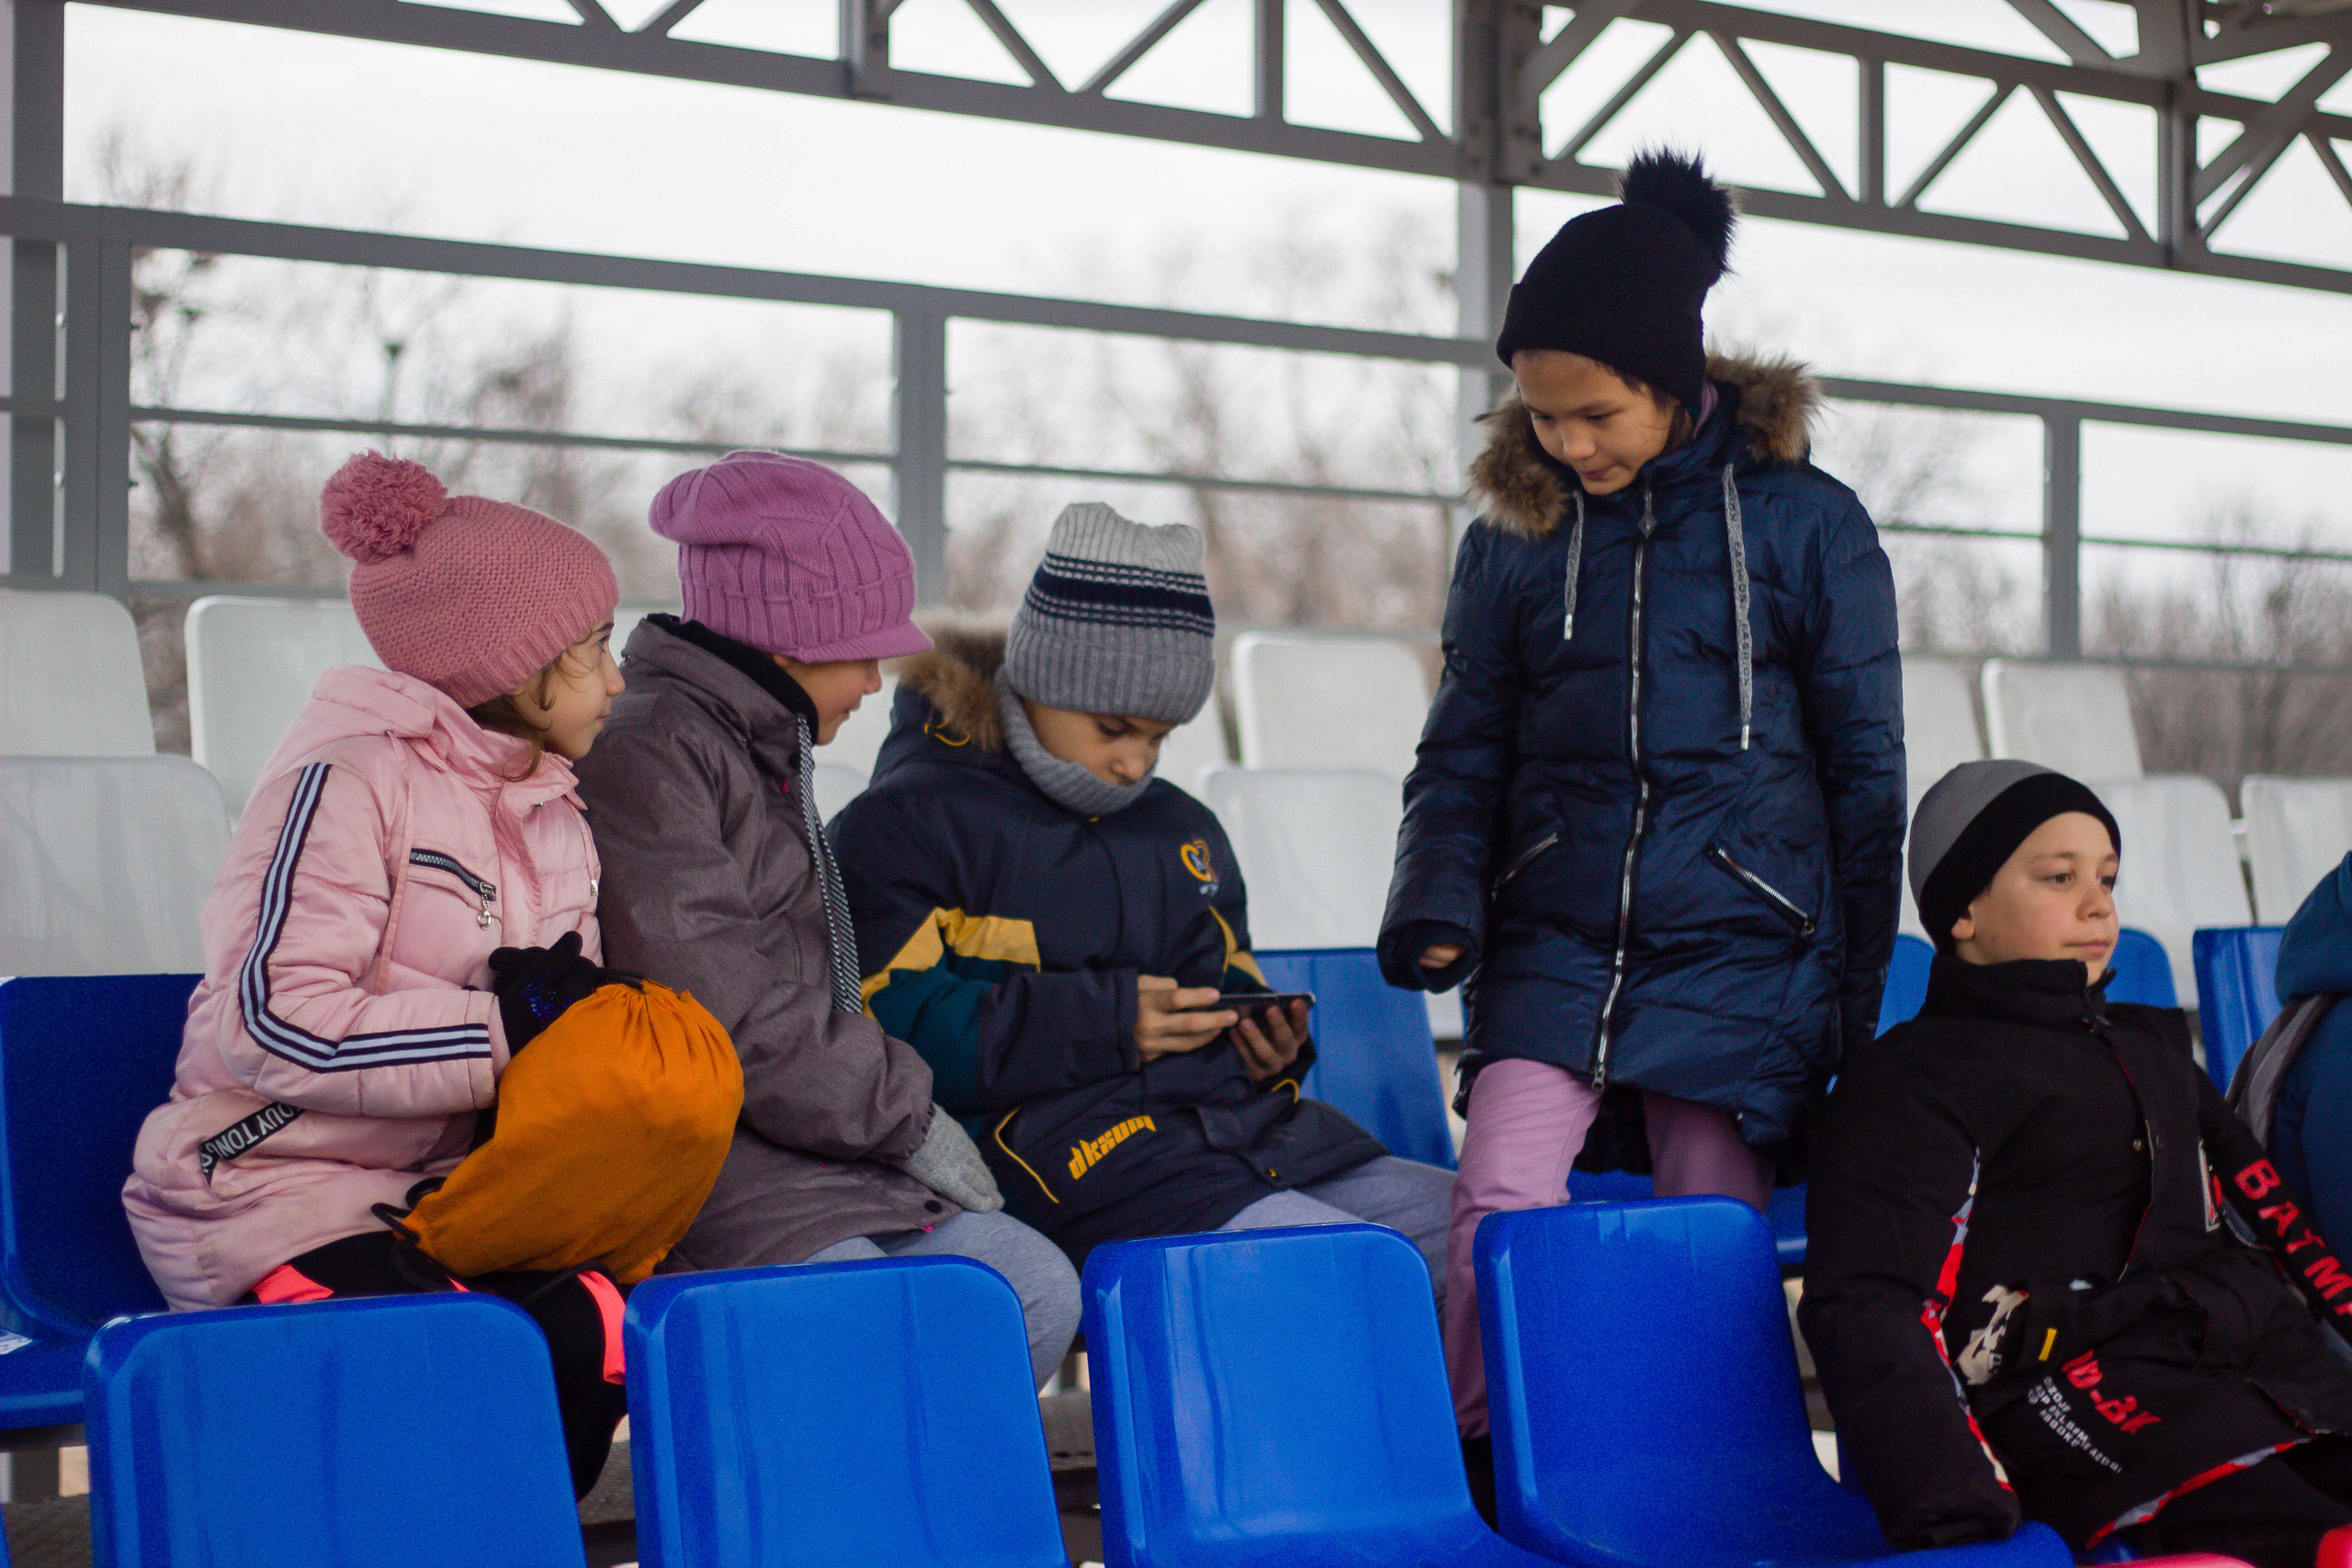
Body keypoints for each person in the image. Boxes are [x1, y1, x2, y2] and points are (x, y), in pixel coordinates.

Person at [1374, 148, 1905, 1460]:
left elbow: (1865, 772)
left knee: (1702, 1236)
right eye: (1543, 415)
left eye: (1596, 414)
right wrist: (1438, 898)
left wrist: (1847, 996)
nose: (1568, 444)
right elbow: (1463, 744)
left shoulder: (1808, 526)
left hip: (1742, 943)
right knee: (1496, 1204)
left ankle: (1695, 1467)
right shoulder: (1515, 535)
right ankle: (1491, 1460)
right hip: (1554, 932)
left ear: (1673, 378)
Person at [123, 451, 639, 1496]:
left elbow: (556, 1014)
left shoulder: (555, 811)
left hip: (440, 1200)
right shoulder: (345, 779)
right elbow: (272, 1022)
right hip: (270, 1189)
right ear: (512, 661)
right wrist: (502, 1031)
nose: (617, 679)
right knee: (442, 1361)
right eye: (594, 647)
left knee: (598, 1324)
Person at [831, 502, 1454, 1278]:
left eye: (1159, 737)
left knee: (1470, 1231)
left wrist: (1268, 1048)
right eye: (1114, 727)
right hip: (1054, 1163)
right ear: (1039, 678)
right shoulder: (906, 823)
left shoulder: (1183, 829)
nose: (1135, 762)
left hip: (1232, 1133)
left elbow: (1227, 978)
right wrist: (1107, 1022)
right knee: (1337, 1267)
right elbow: (885, 1034)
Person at [572, 450, 1080, 1387]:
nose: (878, 683)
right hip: (706, 1164)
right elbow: (722, 1012)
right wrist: (905, 1116)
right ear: (790, 641)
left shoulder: (756, 742)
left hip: (806, 1148)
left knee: (1030, 1287)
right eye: (865, 654)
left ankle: (910, 1482)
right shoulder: (654, 751)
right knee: (868, 1329)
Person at [1803, 760, 2352, 1568]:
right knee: (2310, 1536)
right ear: (1963, 909)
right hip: (2067, 1395)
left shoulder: (2152, 1045)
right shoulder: (1917, 1078)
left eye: (2107, 878)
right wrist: (1959, 1507)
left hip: (2237, 1364)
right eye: (2060, 877)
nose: (2099, 905)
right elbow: (1872, 1298)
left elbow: (2276, 1218)